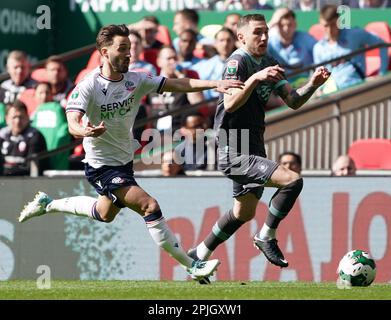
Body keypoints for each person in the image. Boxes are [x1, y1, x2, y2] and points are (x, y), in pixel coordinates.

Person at [18, 24, 243, 282]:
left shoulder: (135, 80)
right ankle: (191, 265)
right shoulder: (88, 86)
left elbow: (177, 83)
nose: (128, 55)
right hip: (101, 166)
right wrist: (84, 131)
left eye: (130, 49)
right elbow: (72, 121)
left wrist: (216, 83)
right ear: (104, 52)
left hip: (124, 162)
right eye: (122, 49)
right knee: (149, 205)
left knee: (104, 213)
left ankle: (49, 204)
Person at [188, 14, 330, 277]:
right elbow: (230, 103)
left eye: (265, 32)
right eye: (257, 33)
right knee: (292, 180)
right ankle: (266, 236)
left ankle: (198, 254)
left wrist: (313, 84)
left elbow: (294, 101)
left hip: (253, 144)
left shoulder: (269, 62)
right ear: (241, 37)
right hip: (232, 145)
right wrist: (255, 79)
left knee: (243, 212)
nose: (264, 37)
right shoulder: (237, 62)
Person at [313, 5, 388, 92]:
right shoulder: (318, 48)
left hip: (356, 89)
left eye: (332, 25)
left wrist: (382, 74)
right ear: (320, 24)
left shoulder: (354, 35)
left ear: (338, 20)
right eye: (326, 26)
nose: (329, 30)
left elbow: (382, 45)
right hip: (331, 95)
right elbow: (319, 78)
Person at [0, 100, 47, 176]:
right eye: (14, 117)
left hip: (25, 183)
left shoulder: (35, 137)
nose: (17, 121)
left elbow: (32, 169)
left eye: (21, 117)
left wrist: (7, 171)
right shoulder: (2, 137)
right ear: (7, 119)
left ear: (28, 117)